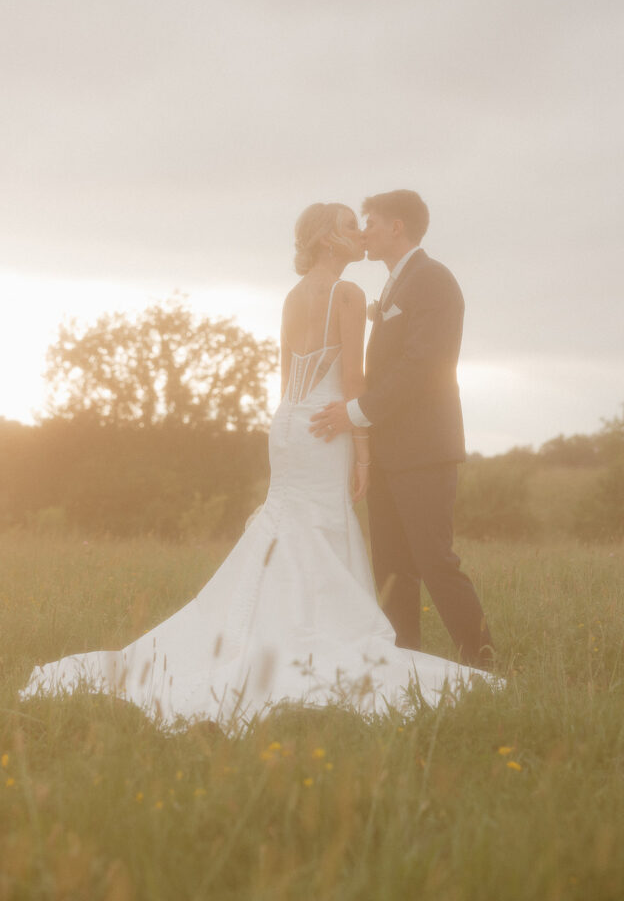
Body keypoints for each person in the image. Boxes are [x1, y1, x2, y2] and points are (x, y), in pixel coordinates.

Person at [20, 202, 495, 730]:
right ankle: (317, 632)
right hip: (329, 423)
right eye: (347, 226)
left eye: (365, 224)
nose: (359, 232)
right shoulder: (350, 293)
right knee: (319, 525)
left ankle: (274, 625)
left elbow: (286, 375)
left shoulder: (293, 296)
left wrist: (302, 423)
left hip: (291, 422)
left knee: (290, 522)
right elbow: (353, 379)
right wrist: (362, 449)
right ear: (325, 241)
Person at [311, 190, 493, 670]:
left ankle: (483, 660)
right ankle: (403, 662)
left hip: (424, 450)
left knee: (434, 559)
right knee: (392, 566)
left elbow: (422, 366)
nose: (363, 231)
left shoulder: (432, 279)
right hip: (392, 451)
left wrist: (355, 411)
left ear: (396, 227)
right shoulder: (397, 283)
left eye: (369, 221)